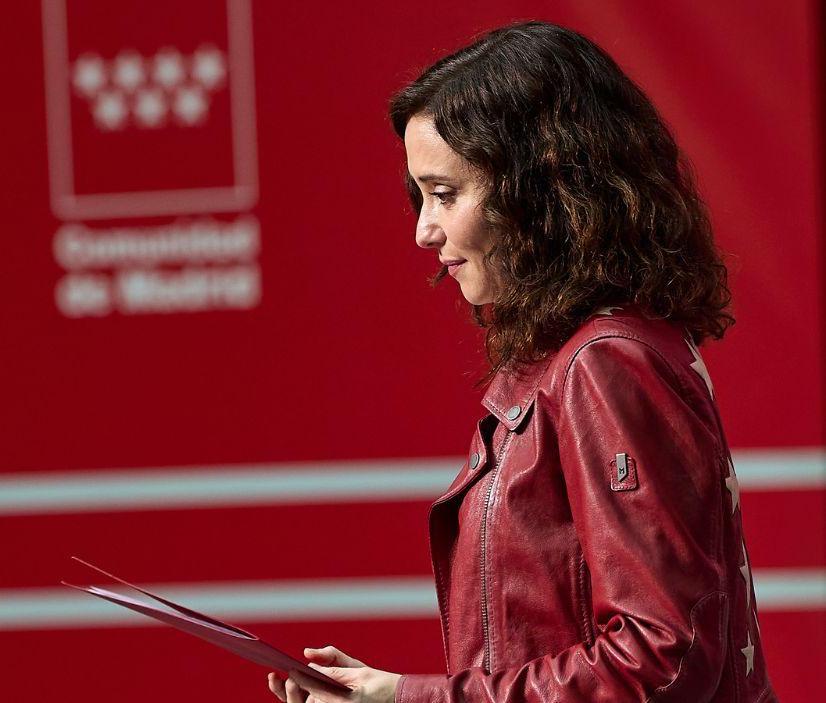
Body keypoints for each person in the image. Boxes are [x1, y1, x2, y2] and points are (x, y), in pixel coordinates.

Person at [268, 20, 778, 703]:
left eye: (445, 193)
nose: (423, 229)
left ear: (542, 187)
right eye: (420, 196)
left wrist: (411, 697)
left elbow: (660, 661)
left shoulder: (605, 360)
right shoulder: (585, 353)